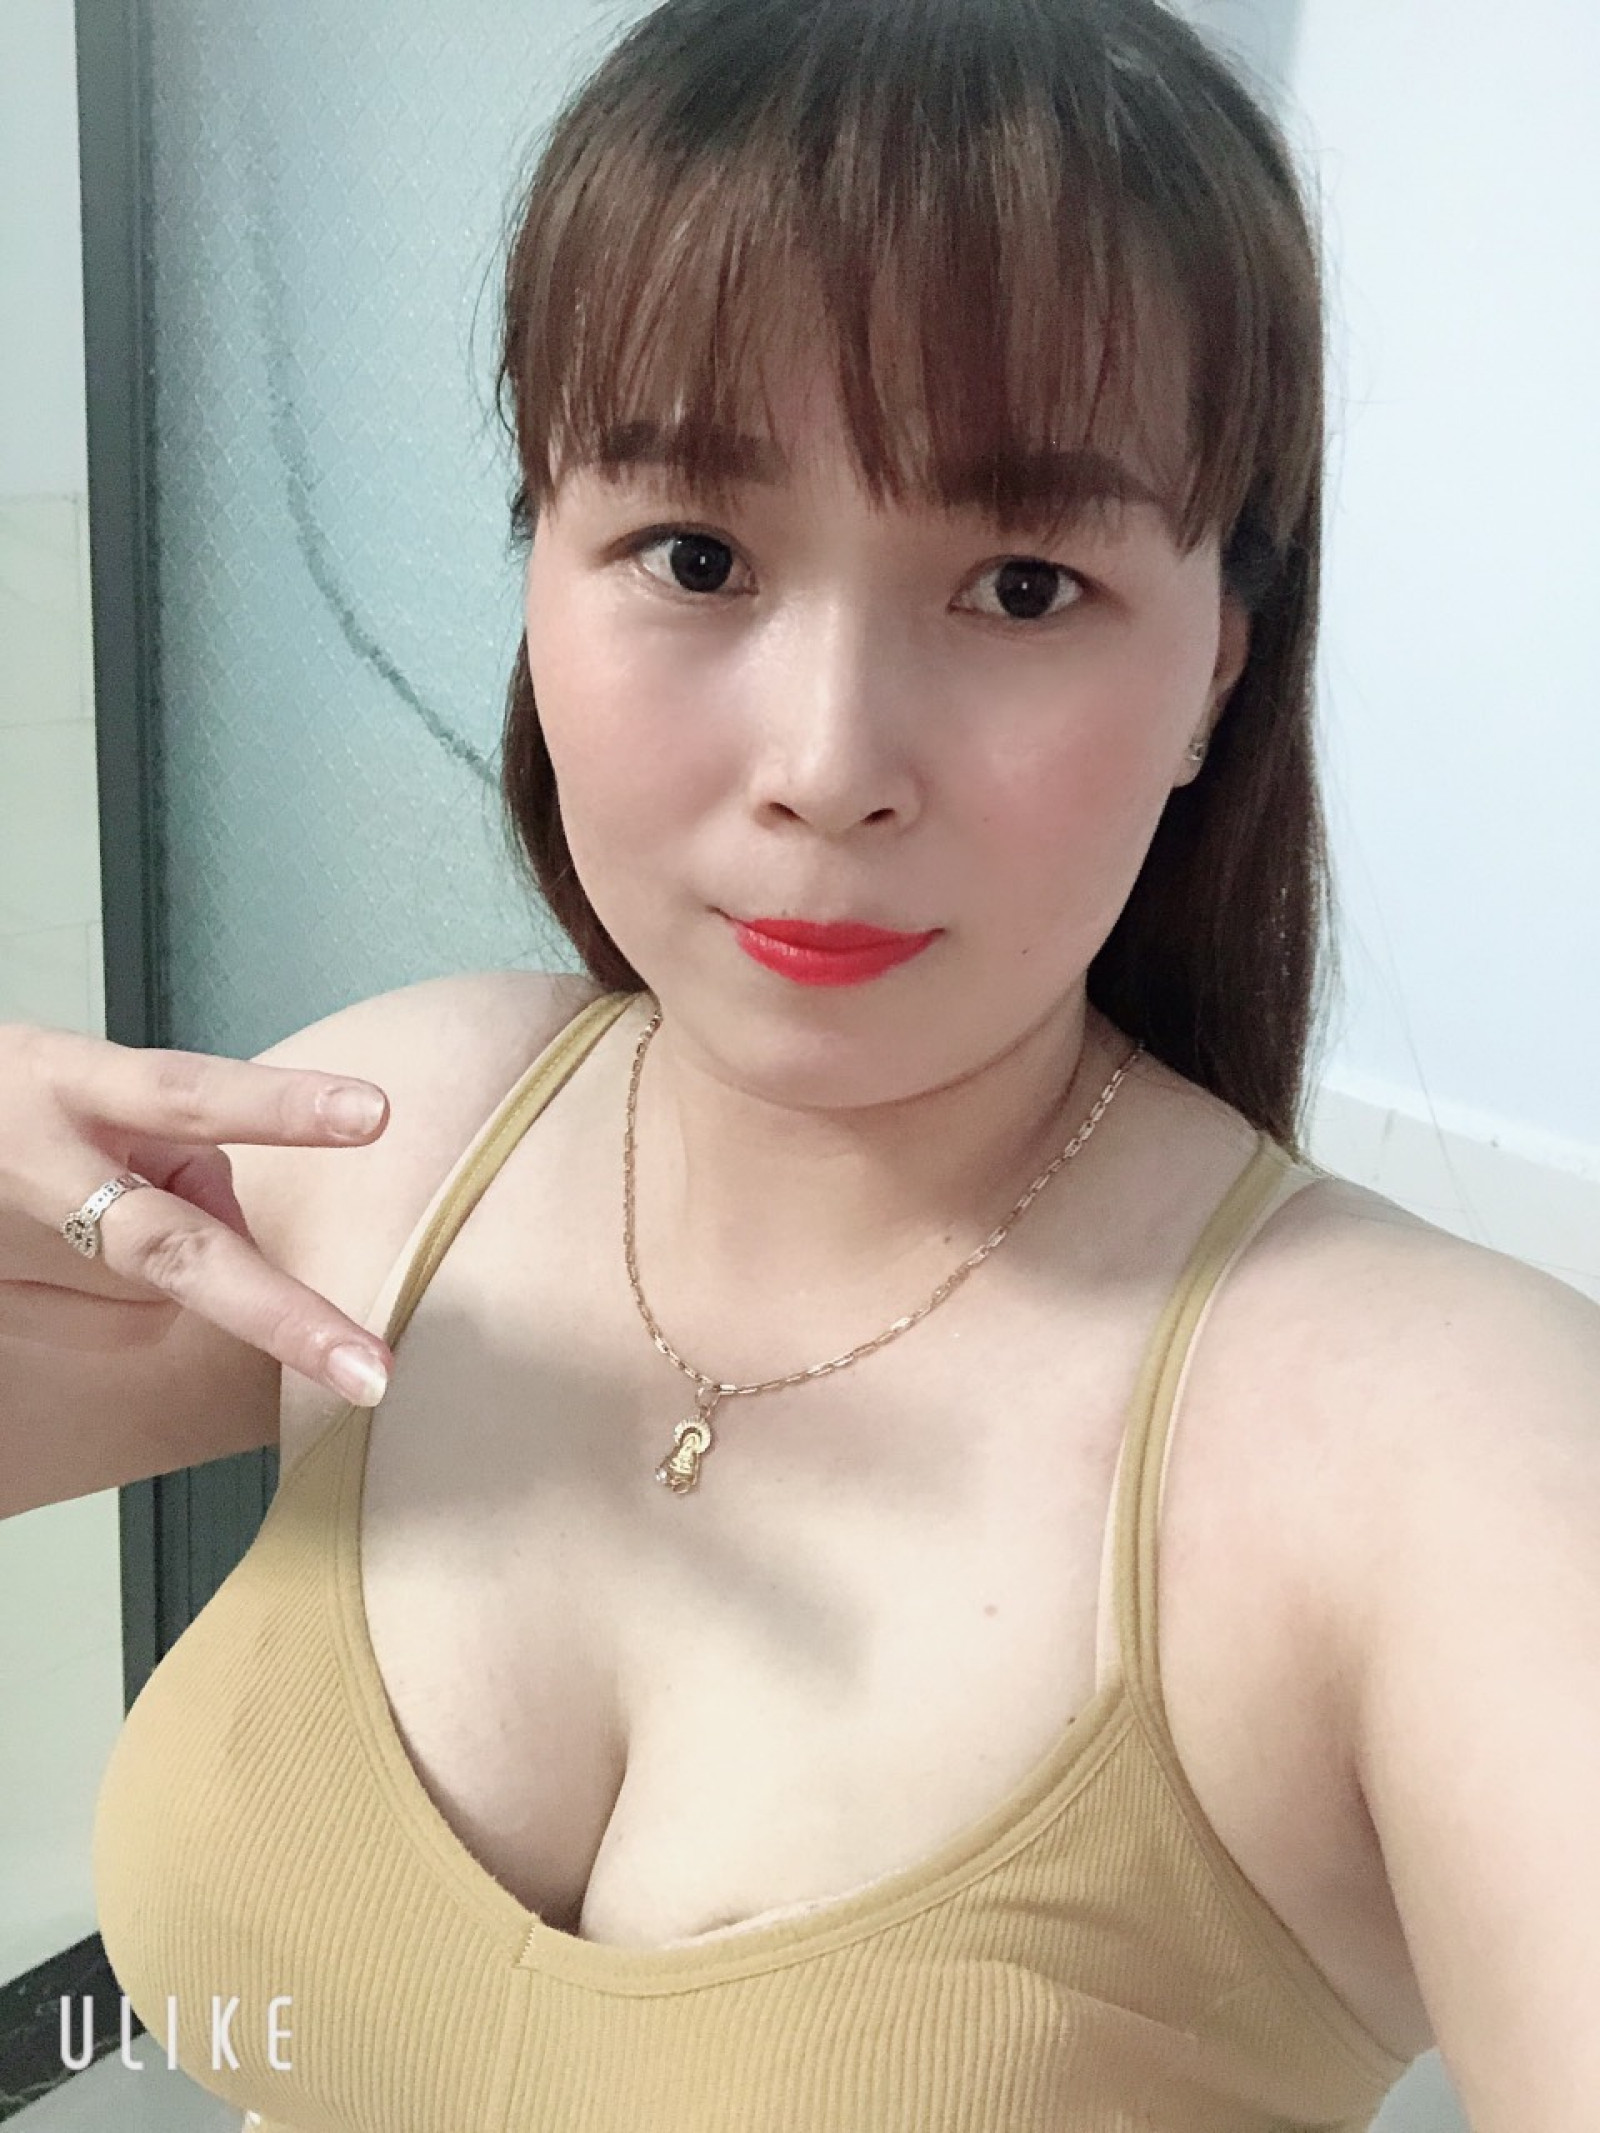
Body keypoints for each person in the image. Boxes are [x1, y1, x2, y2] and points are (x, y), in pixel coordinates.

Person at [2, 0, 1597, 2127]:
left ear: (1216, 667)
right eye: (697, 555)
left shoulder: (1438, 1445)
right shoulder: (396, 1132)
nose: (829, 763)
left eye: (1021, 584)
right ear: (537, 556)